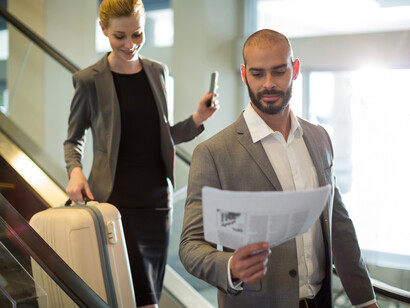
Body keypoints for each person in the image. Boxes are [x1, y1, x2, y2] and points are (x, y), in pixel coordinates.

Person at [179, 29, 379, 308]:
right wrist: (231, 266)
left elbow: (338, 225)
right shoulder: (213, 153)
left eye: (279, 71)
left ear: (295, 69)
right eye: (258, 74)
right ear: (243, 73)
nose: (268, 84)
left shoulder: (320, 137)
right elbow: (190, 246)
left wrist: (365, 300)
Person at [63, 0, 218, 307]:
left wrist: (198, 119)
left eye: (137, 34)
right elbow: (73, 140)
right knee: (128, 296)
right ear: (103, 29)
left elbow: (163, 137)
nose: (129, 44)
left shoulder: (158, 72)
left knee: (149, 298)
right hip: (114, 203)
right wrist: (75, 170)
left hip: (157, 205)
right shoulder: (88, 80)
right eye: (119, 36)